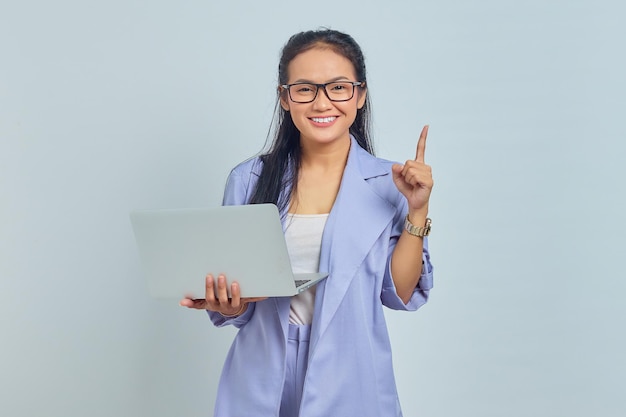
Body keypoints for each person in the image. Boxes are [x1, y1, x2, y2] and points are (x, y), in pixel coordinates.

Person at [180, 28, 434, 417]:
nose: (322, 103)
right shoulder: (248, 180)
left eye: (338, 87)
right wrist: (227, 304)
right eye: (304, 89)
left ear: (360, 95)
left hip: (352, 375)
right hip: (261, 374)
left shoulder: (392, 182)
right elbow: (240, 306)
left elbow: (396, 292)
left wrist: (417, 209)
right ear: (284, 97)